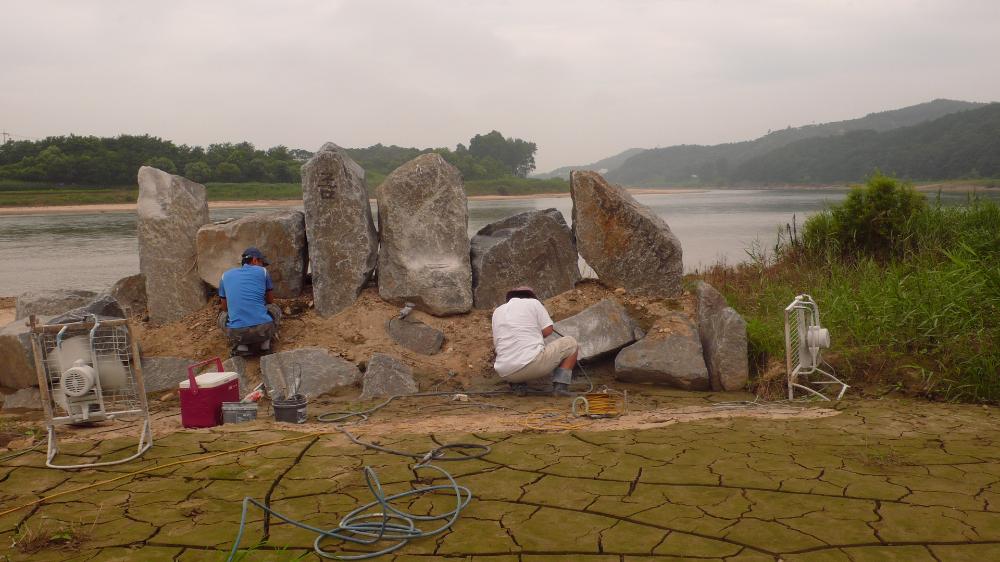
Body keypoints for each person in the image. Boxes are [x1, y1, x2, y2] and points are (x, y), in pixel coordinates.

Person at [491, 286, 578, 396]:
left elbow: (497, 343)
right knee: (571, 343)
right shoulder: (534, 303)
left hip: (505, 372)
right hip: (532, 366)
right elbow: (548, 330)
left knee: (511, 349)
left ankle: (518, 386)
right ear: (531, 297)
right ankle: (560, 388)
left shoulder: (498, 311)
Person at [217, 247, 282, 355]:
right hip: (263, 329)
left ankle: (242, 346)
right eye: (262, 263)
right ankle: (265, 343)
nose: (263, 266)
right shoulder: (263, 272)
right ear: (255, 260)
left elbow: (225, 308)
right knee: (274, 308)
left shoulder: (225, 275)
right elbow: (270, 300)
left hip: (237, 332)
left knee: (222, 316)